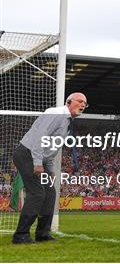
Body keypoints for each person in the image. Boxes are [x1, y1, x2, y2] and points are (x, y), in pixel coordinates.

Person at [12, 93, 88, 244]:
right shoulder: (56, 113)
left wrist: (50, 168)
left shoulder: (67, 121)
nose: (83, 105)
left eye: (85, 103)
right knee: (37, 193)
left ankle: (42, 233)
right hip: (27, 154)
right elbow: (40, 137)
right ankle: (21, 235)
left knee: (50, 193)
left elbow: (52, 147)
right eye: (80, 101)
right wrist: (38, 163)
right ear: (68, 101)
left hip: (40, 158)